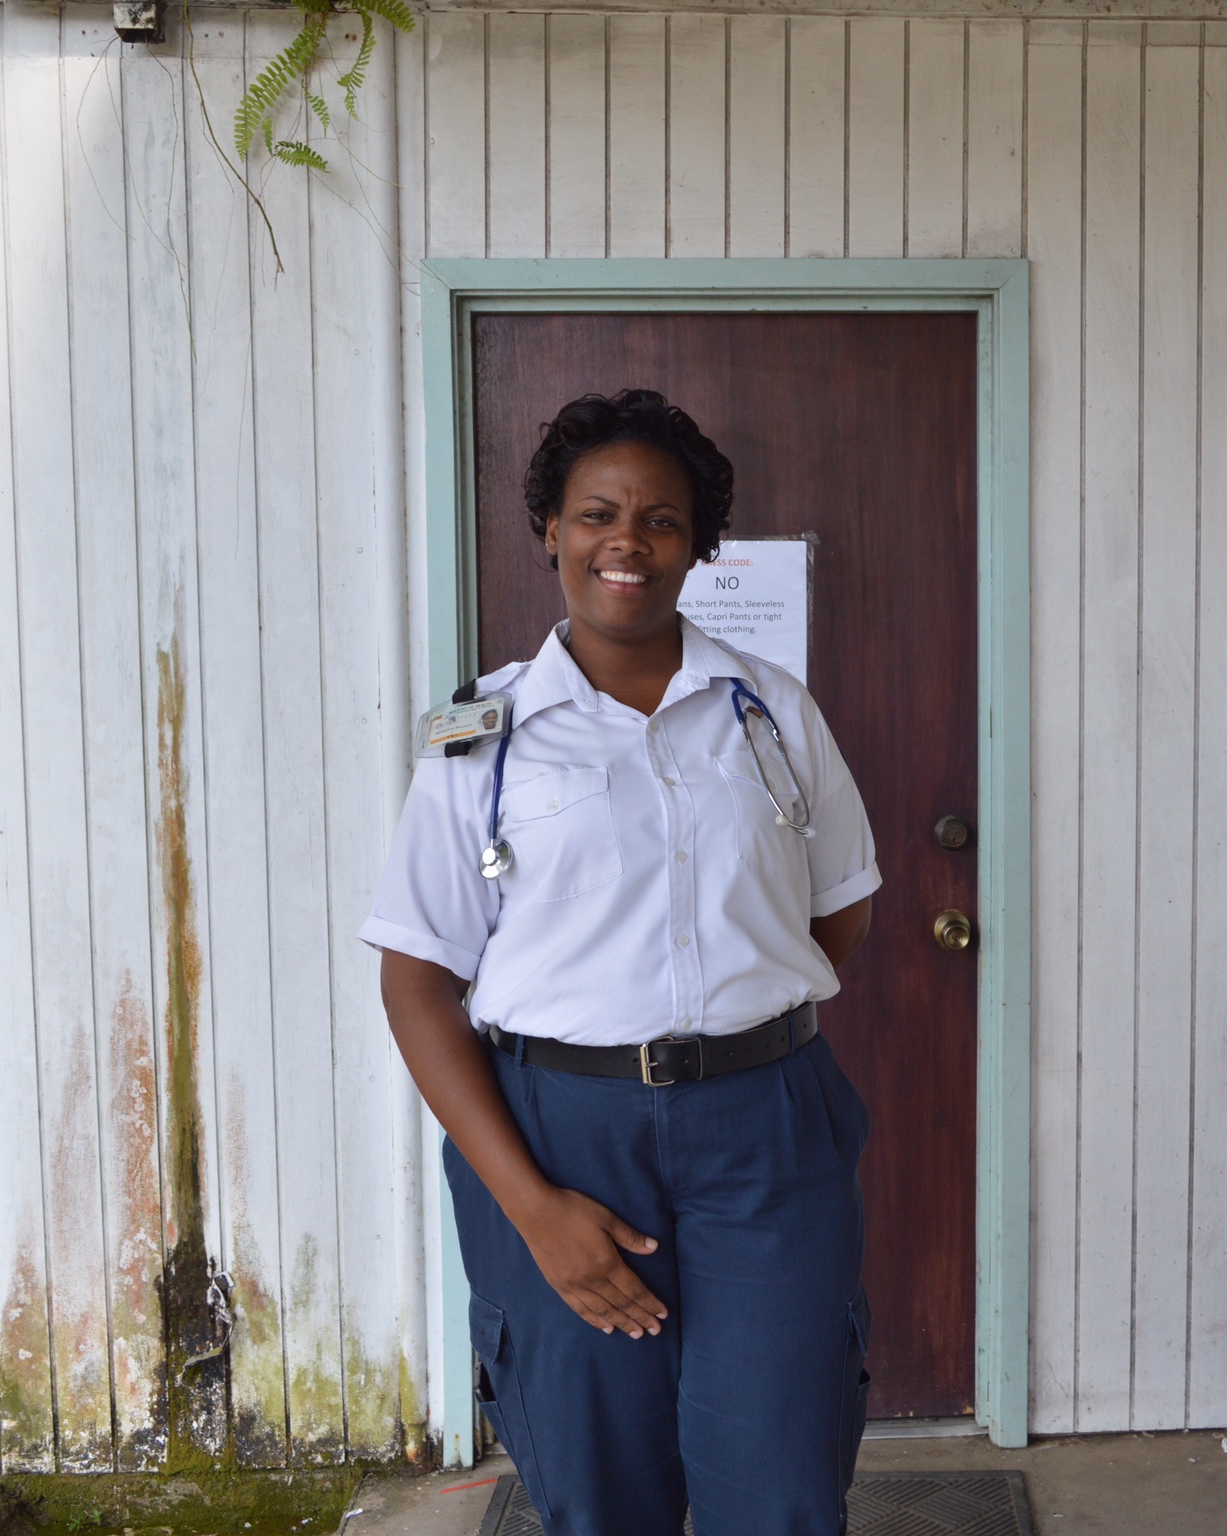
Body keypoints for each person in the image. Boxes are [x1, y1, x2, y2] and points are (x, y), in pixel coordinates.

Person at [361, 389, 880, 1536]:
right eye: (597, 514)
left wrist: (739, 1015)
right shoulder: (477, 737)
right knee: (600, 1494)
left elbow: (835, 910)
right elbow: (417, 984)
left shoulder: (771, 711)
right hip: (560, 1137)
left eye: (661, 519)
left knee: (784, 1485)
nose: (626, 543)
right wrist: (533, 1205)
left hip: (766, 1132)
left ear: (698, 546)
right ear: (551, 529)